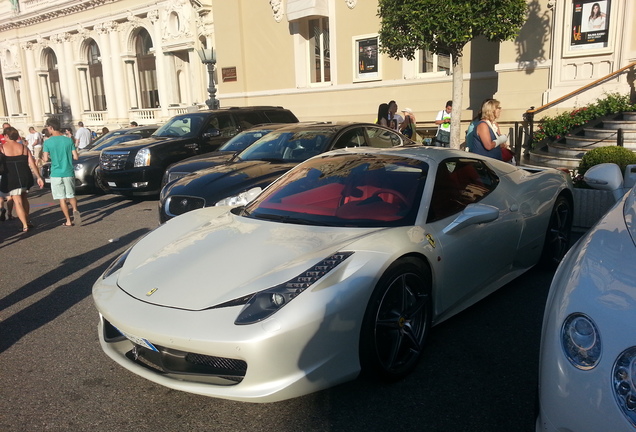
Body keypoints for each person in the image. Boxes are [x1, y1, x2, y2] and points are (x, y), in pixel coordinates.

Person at [0, 126, 45, 232]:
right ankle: (28, 220)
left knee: (18, 201)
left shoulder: (2, 148)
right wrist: (39, 177)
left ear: (6, 136)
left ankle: (25, 225)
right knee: (24, 199)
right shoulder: (24, 148)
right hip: (25, 176)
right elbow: (32, 164)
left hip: (11, 177)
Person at [43, 117, 81, 227]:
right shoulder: (68, 140)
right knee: (71, 195)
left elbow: (45, 159)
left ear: (51, 127)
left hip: (56, 173)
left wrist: (50, 156)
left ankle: (68, 220)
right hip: (68, 171)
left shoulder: (48, 142)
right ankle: (74, 209)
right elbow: (76, 156)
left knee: (62, 198)